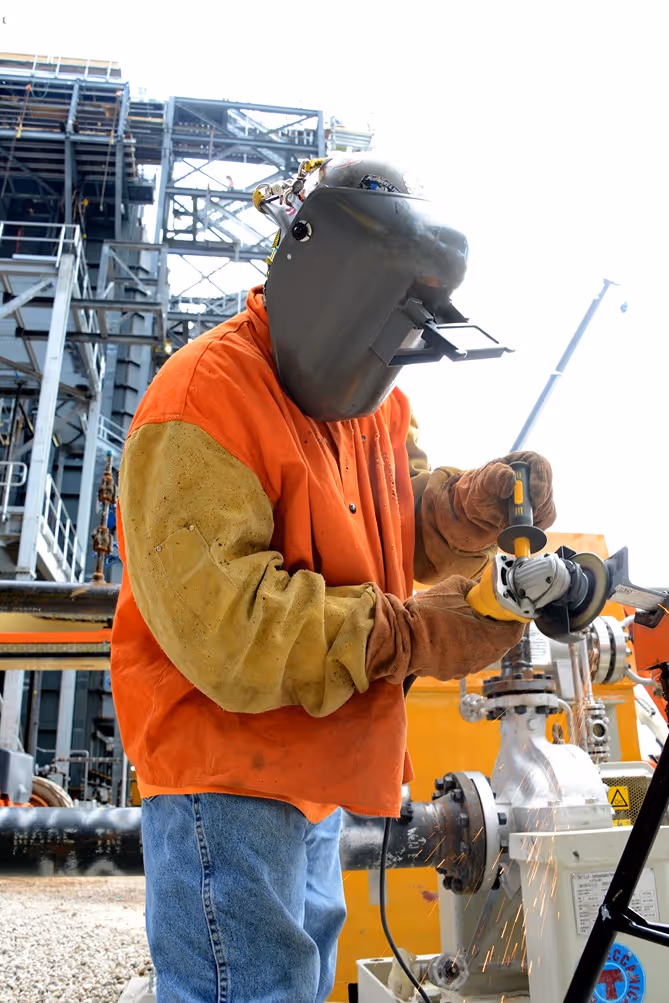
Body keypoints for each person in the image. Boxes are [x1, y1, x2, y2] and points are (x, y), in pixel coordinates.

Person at [110, 154, 555, 1003]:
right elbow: (230, 628)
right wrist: (419, 632)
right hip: (227, 778)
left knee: (294, 986)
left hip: (315, 771)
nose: (385, 354)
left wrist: (465, 506)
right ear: (326, 290)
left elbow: (395, 519)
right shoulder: (202, 399)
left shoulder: (370, 398)